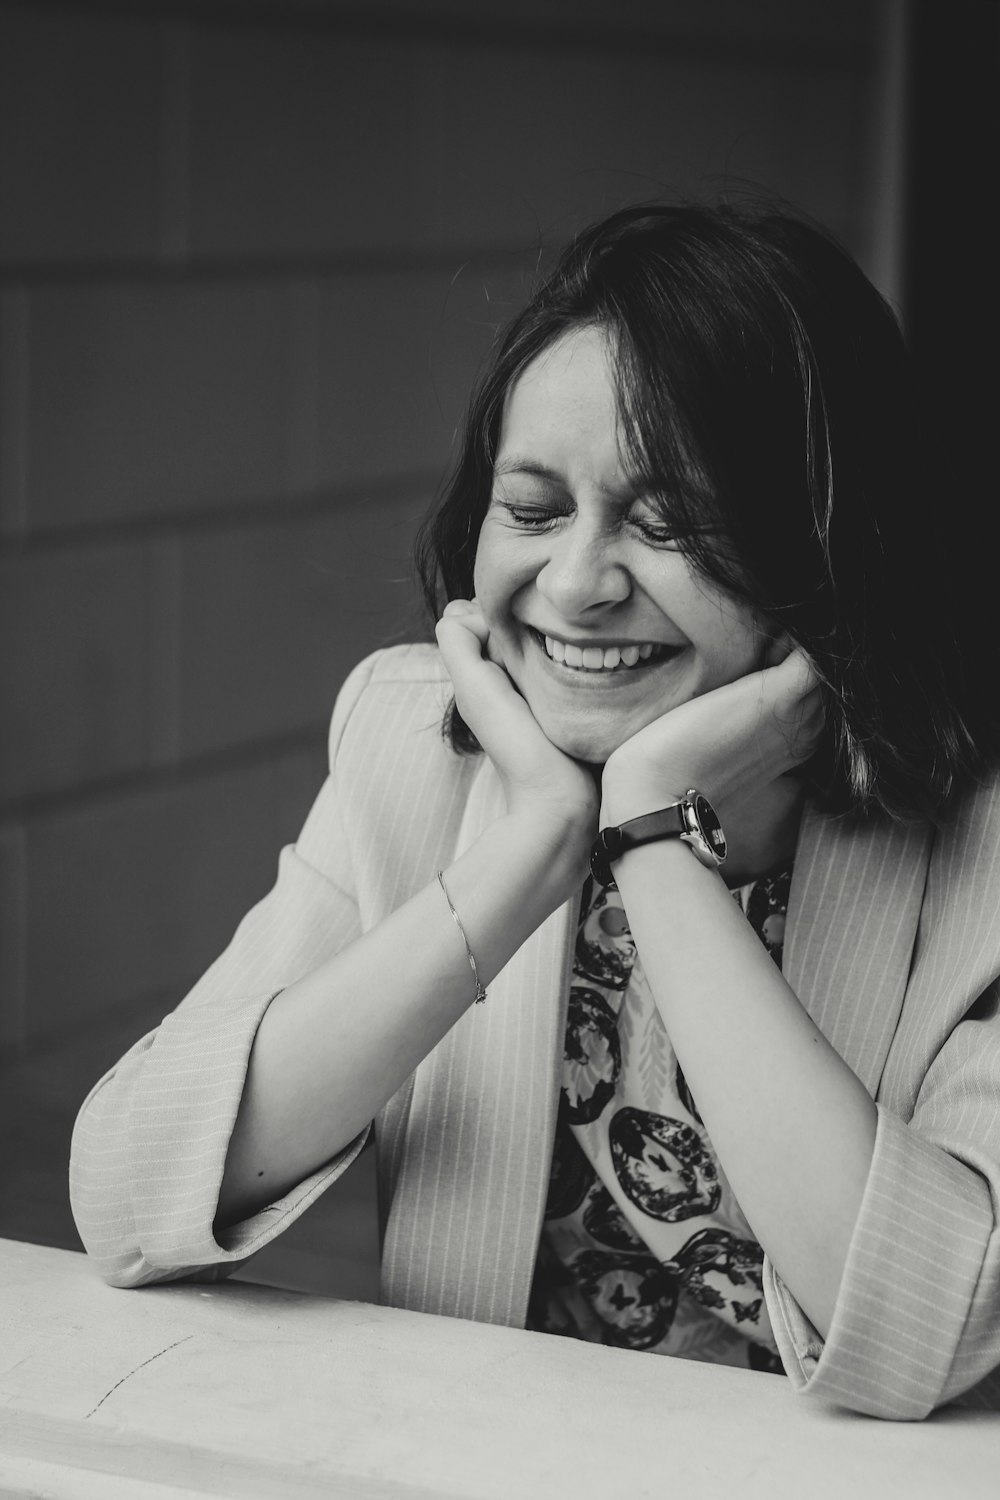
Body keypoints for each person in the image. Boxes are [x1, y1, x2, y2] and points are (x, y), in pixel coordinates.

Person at [70, 202, 1000, 1421]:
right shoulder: (413, 748)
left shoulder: (975, 840)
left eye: (671, 523)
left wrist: (654, 837)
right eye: (533, 507)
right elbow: (130, 1195)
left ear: (824, 554)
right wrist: (529, 849)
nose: (574, 585)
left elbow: (932, 1327)